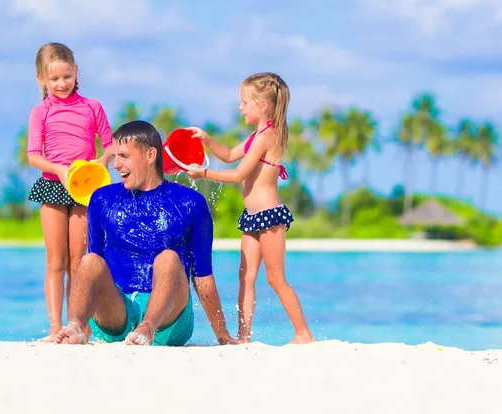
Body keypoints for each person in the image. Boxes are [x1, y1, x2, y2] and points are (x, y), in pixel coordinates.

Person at [56, 120, 235, 347]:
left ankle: (147, 327)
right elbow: (93, 276)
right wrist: (83, 322)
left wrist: (223, 336)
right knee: (90, 261)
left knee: (168, 258)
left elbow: (202, 276)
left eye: (124, 156)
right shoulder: (101, 200)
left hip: (169, 320)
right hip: (117, 314)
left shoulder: (191, 203)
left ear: (151, 155)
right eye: (114, 157)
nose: (116, 165)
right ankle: (74, 329)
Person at [186, 72, 315, 345]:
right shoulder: (256, 136)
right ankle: (244, 336)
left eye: (245, 102)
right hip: (252, 218)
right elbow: (230, 155)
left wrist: (204, 174)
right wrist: (206, 139)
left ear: (263, 105)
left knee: (276, 278)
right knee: (246, 278)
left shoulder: (268, 137)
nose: (241, 107)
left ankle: (303, 333)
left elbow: (237, 174)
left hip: (269, 216)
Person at [27, 42, 113, 342]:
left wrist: (101, 162)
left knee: (79, 261)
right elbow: (33, 156)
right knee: (56, 262)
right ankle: (54, 328)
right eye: (54, 79)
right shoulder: (40, 112)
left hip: (83, 190)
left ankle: (80, 327)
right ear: (41, 79)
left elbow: (110, 143)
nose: (62, 84)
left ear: (76, 72)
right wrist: (60, 170)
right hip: (53, 186)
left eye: (67, 76)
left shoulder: (92, 107)